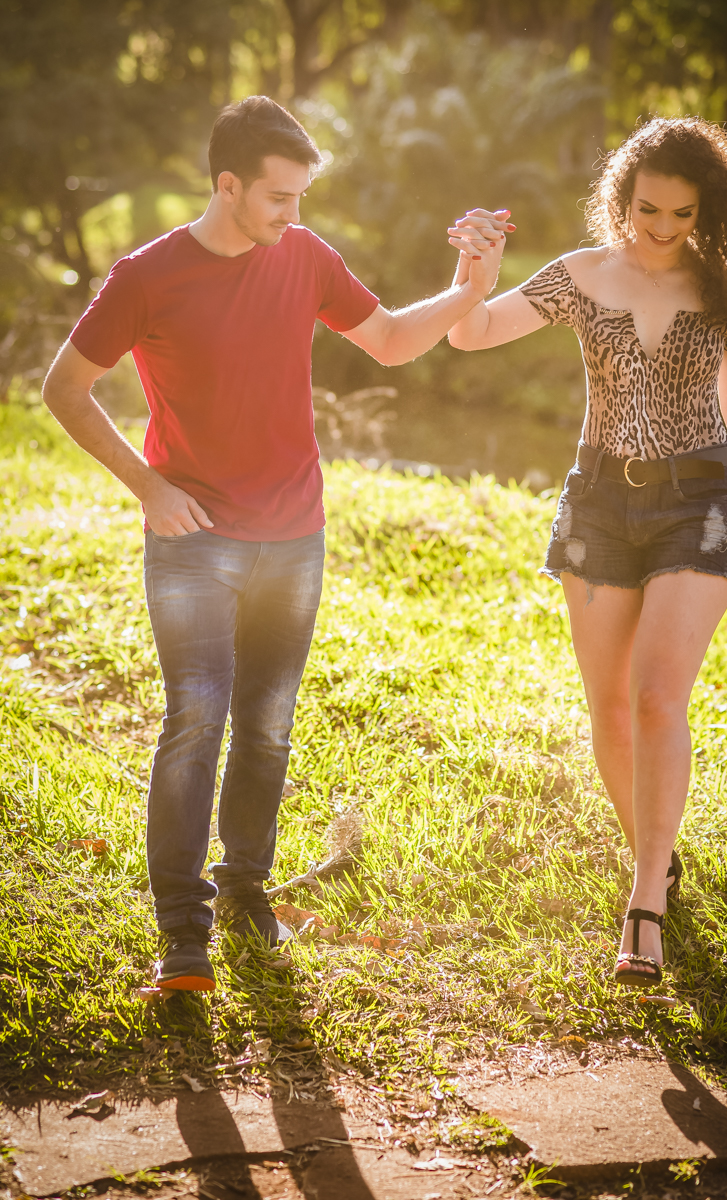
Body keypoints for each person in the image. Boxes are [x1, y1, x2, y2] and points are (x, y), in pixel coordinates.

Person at [42, 95, 510, 992]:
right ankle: (183, 932)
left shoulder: (304, 257)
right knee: (197, 720)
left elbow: (386, 341)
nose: (293, 215)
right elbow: (66, 386)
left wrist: (467, 289)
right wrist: (147, 484)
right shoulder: (146, 276)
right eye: (278, 198)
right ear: (227, 186)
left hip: (294, 538)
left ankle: (244, 892)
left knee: (265, 728)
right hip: (195, 540)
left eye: (300, 198)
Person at [446, 117, 727, 988]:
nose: (659, 228)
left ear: (707, 212)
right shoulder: (580, 276)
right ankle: (655, 857)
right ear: (620, 197)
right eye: (644, 209)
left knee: (657, 697)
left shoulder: (723, 288)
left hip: (699, 500)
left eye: (678, 214)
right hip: (597, 501)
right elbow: (469, 333)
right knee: (608, 709)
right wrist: (472, 271)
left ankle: (643, 906)